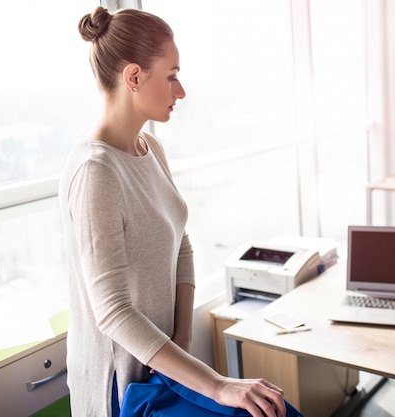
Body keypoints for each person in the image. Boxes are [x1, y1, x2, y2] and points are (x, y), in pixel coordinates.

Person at [59, 6, 287, 417]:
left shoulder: (151, 149)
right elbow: (111, 311)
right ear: (133, 77)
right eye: (171, 76)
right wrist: (216, 385)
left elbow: (181, 245)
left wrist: (182, 341)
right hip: (121, 385)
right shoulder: (95, 172)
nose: (180, 91)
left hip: (165, 369)